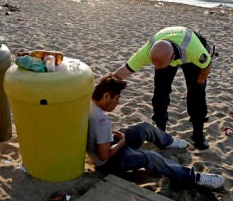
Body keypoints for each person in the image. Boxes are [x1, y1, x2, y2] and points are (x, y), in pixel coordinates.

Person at [87, 74, 225, 189]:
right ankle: (194, 177)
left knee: (144, 127)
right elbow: (104, 156)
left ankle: (168, 142)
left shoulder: (87, 104)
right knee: (151, 157)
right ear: (106, 96)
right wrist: (122, 142)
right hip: (108, 162)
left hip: (106, 143)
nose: (117, 103)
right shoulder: (101, 121)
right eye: (116, 98)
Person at [112, 26, 213, 150]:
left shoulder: (194, 51)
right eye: (156, 66)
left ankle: (198, 136)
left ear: (172, 57)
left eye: (161, 66)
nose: (158, 68)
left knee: (197, 95)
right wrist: (106, 85)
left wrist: (199, 83)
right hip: (165, 53)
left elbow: (207, 66)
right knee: (160, 93)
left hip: (189, 57)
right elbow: (123, 71)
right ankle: (160, 132)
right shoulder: (148, 50)